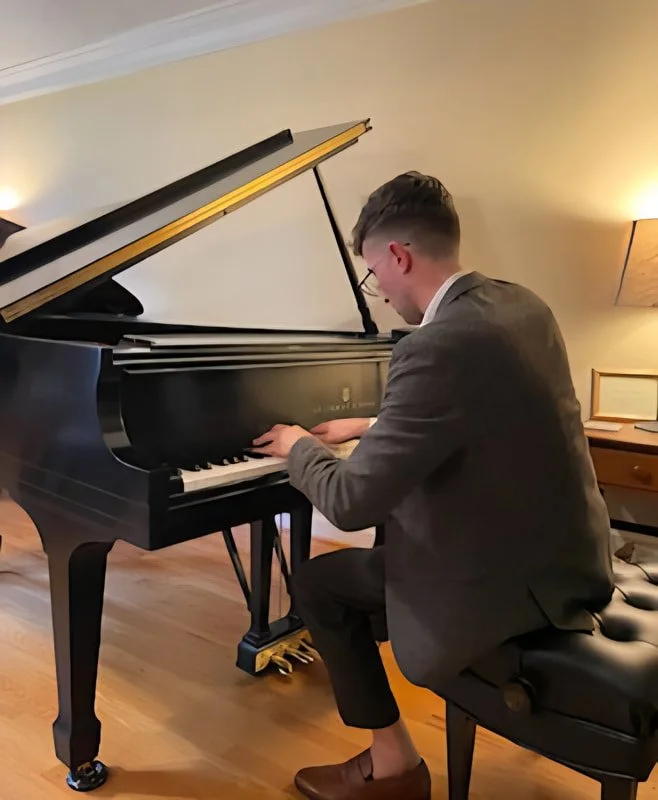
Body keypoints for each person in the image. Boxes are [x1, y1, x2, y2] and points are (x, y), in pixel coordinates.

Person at [252, 171, 614, 800]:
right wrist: (371, 424)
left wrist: (298, 445)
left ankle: (392, 766)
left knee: (317, 582)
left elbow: (348, 500)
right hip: (571, 556)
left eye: (373, 273)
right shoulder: (519, 304)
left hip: (505, 584)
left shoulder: (434, 345)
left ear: (399, 255)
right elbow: (486, 412)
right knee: (382, 547)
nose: (380, 291)